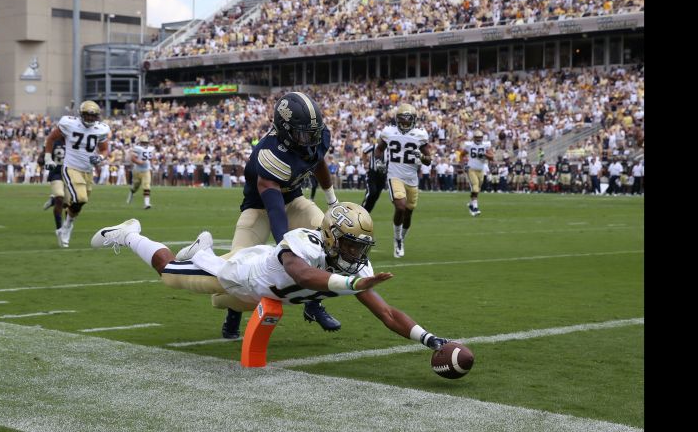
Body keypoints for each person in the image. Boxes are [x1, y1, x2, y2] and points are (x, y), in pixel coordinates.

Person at [90, 202, 449, 351]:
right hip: (240, 275)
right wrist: (351, 284)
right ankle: (131, 233)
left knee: (223, 305)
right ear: (331, 237)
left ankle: (200, 251)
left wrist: (431, 340)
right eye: (351, 245)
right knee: (169, 275)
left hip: (264, 295)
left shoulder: (355, 270)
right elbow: (303, 275)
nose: (357, 255)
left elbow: (387, 315)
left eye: (361, 246)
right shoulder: (305, 245)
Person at [221, 91, 343, 339]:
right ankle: (232, 317)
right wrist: (286, 245)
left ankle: (313, 303)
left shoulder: (314, 136)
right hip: (259, 209)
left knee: (331, 238)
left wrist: (332, 201)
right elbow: (275, 209)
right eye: (303, 133)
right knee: (235, 266)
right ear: (285, 130)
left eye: (313, 132)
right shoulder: (269, 153)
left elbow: (318, 162)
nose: (310, 139)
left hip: (294, 200)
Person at [43, 100, 110, 248]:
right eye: (88, 115)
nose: (91, 119)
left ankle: (67, 223)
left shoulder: (101, 129)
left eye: (93, 116)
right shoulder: (70, 124)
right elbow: (51, 138)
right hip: (71, 167)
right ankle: (66, 228)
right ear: (81, 114)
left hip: (88, 170)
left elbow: (105, 149)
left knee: (81, 202)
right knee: (80, 197)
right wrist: (48, 157)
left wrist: (100, 157)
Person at [375, 103, 433, 257]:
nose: (405, 122)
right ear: (397, 119)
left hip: (412, 179)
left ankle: (401, 237)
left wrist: (421, 156)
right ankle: (397, 239)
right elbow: (379, 149)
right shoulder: (389, 131)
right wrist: (379, 162)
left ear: (414, 120)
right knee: (400, 207)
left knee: (408, 213)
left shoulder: (420, 134)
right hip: (394, 176)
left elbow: (428, 160)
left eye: (408, 120)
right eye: (403, 119)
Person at [39, 138, 67, 246]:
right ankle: (59, 229)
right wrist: (44, 161)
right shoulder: (53, 142)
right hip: (56, 173)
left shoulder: (75, 141)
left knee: (68, 204)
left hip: (70, 174)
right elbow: (41, 158)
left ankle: (53, 201)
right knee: (60, 197)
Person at [459, 130, 493, 216]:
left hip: (481, 170)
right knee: (475, 187)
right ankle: (475, 207)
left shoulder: (485, 145)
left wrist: (484, 155)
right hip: (471, 169)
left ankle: (471, 204)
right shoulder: (469, 146)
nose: (478, 139)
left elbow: (492, 157)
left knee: (477, 189)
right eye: (477, 138)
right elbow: (461, 155)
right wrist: (463, 165)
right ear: (474, 138)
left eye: (480, 138)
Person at [127, 134, 154, 209]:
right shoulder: (137, 148)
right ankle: (131, 192)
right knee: (135, 186)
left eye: (146, 142)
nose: (145, 144)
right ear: (140, 142)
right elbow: (132, 158)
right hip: (137, 170)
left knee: (146, 185)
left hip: (146, 170)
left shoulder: (150, 149)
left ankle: (147, 203)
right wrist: (140, 162)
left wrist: (152, 163)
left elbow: (151, 158)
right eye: (143, 142)